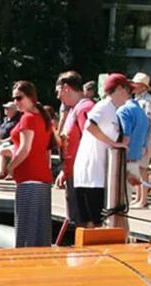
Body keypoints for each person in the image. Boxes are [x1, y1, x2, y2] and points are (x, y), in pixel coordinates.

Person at [74, 73, 129, 227]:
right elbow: (89, 125)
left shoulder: (113, 111)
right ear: (119, 89)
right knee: (93, 224)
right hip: (91, 175)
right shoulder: (104, 106)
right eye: (127, 90)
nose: (129, 94)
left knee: (96, 223)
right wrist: (113, 143)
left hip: (97, 175)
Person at [5, 81, 53, 247]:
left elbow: (25, 148)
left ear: (31, 97)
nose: (16, 102)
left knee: (26, 233)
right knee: (41, 233)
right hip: (42, 179)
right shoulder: (43, 117)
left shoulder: (27, 118)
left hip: (29, 178)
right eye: (14, 99)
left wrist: (10, 167)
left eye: (19, 98)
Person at [55, 71, 95, 230]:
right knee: (76, 218)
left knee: (84, 221)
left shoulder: (85, 108)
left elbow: (90, 141)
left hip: (83, 175)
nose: (58, 96)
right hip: (73, 173)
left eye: (58, 91)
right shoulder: (74, 109)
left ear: (66, 88)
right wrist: (64, 170)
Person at [115, 80, 150, 210]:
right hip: (134, 161)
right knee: (125, 204)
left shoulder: (124, 110)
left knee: (116, 205)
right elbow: (147, 131)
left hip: (122, 161)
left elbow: (126, 135)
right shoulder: (140, 111)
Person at [131, 73, 151, 208]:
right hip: (137, 136)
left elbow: (148, 122)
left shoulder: (149, 101)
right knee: (136, 167)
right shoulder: (136, 99)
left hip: (145, 137)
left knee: (143, 168)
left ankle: (144, 199)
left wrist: (144, 142)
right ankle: (138, 196)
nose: (133, 86)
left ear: (143, 86)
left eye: (136, 84)